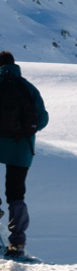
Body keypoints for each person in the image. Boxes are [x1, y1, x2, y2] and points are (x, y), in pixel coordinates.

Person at [0, 51, 49, 258]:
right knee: (16, 194)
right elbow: (43, 119)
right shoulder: (28, 88)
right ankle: (17, 242)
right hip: (21, 151)